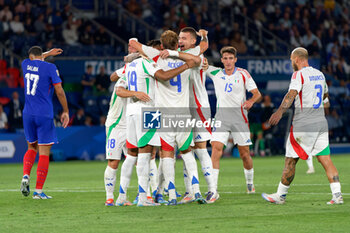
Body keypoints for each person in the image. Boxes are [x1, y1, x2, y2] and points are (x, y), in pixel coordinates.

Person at [116, 37, 199, 206]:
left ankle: (122, 197)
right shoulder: (147, 63)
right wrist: (185, 66)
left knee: (133, 155)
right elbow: (164, 76)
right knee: (147, 155)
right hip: (148, 111)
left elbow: (118, 89)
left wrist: (133, 93)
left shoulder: (129, 66)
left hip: (131, 112)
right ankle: (143, 197)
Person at [262, 47, 343, 205]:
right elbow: (326, 98)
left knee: (290, 160)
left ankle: (280, 195)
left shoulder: (298, 74)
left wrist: (279, 112)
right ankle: (337, 195)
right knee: (326, 159)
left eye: (292, 60)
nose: (291, 62)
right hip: (321, 123)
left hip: (303, 124)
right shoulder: (320, 74)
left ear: (297, 59)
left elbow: (290, 95)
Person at [206, 46, 261, 199]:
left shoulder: (243, 74)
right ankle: (213, 189)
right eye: (225, 58)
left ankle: (250, 183)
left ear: (235, 59)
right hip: (221, 118)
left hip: (240, 118)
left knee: (244, 154)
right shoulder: (215, 72)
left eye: (231, 58)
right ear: (221, 60)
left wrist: (250, 101)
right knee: (216, 150)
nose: (228, 61)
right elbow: (199, 61)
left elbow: (257, 94)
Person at [20, 46, 69, 199]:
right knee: (44, 153)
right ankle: (38, 192)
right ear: (42, 55)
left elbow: (35, 59)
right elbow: (59, 90)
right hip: (44, 114)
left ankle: (26, 175)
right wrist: (65, 110)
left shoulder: (24, 64)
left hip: (28, 113)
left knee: (31, 147)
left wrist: (46, 53)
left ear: (30, 56)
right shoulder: (50, 67)